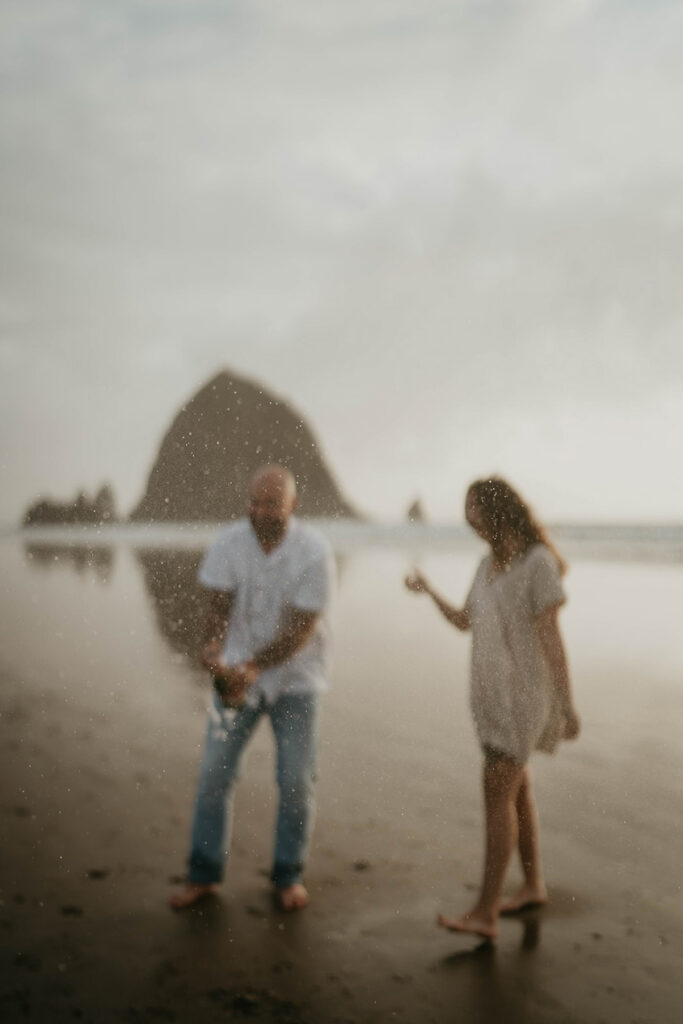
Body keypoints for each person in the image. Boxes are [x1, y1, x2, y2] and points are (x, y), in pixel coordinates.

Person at [405, 477, 580, 940]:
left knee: (497, 792)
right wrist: (428, 590)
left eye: (473, 511)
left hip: (524, 696)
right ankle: (533, 885)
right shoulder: (486, 565)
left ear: (497, 509)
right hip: (488, 697)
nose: (468, 521)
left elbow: (551, 638)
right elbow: (466, 621)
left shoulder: (539, 564)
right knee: (518, 792)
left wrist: (567, 703)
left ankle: (485, 911)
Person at [170, 465, 335, 912]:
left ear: (293, 506)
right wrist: (212, 648)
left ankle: (288, 875)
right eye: (254, 502)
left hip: (297, 681)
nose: (259, 511)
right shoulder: (228, 542)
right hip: (236, 676)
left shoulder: (315, 551)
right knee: (213, 775)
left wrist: (254, 665)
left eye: (271, 504)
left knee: (297, 780)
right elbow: (219, 606)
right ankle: (203, 874)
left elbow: (302, 629)